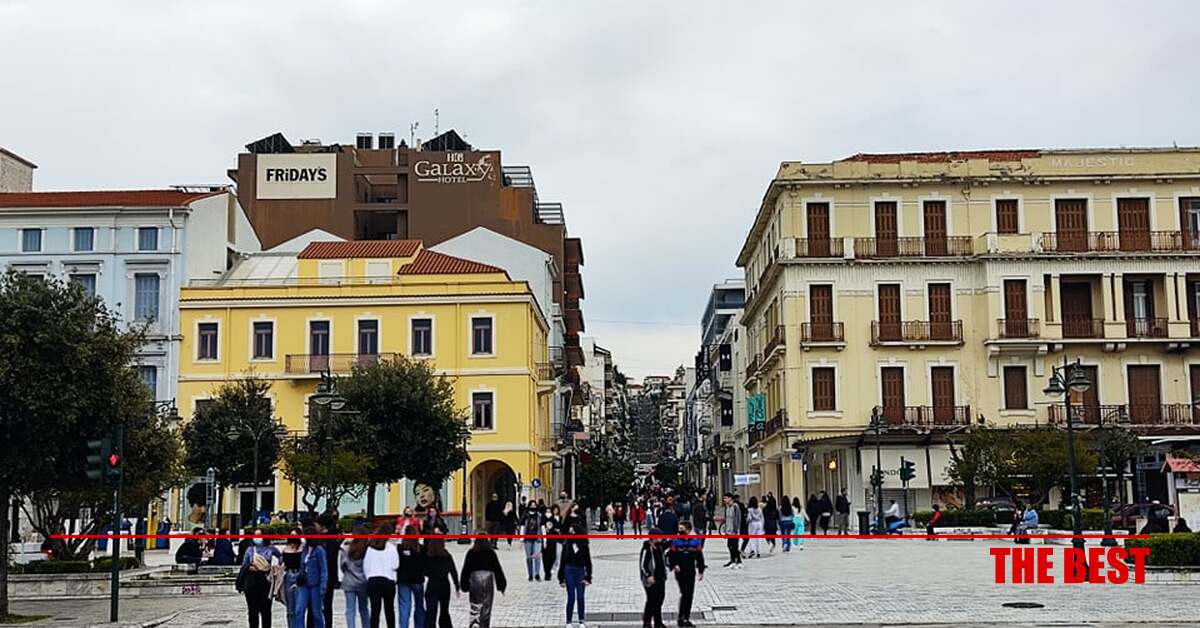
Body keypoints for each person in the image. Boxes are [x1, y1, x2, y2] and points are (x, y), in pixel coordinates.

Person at [460, 537, 507, 628]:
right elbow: (497, 569)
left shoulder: (471, 553)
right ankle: (484, 625)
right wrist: (501, 585)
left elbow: (466, 569)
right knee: (486, 607)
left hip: (475, 580)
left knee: (475, 606)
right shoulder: (490, 553)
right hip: (488, 579)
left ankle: (474, 624)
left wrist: (464, 585)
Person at [666, 520, 705, 628]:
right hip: (680, 572)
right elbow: (670, 556)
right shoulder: (676, 541)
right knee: (685, 593)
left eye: (682, 529)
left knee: (690, 595)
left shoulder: (695, 542)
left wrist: (701, 571)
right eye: (679, 529)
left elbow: (699, 557)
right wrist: (674, 565)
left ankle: (686, 618)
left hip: (691, 571)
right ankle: (681, 617)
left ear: (688, 530)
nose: (679, 531)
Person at [238, 528, 279, 628]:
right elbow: (244, 564)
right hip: (252, 581)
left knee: (266, 610)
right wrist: (249, 567)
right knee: (252, 610)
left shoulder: (271, 549)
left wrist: (274, 567)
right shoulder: (250, 549)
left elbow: (281, 558)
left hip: (265, 580)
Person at [308, 513, 341, 628]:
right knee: (326, 606)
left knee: (317, 606)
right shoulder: (335, 538)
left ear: (322, 526)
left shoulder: (323, 541)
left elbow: (329, 559)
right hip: (330, 576)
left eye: (316, 524)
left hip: (322, 576)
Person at [558, 522, 593, 628]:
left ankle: (581, 620)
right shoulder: (567, 544)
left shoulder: (584, 545)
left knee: (580, 597)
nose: (571, 533)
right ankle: (569, 621)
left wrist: (588, 577)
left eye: (572, 531)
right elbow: (562, 560)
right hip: (569, 570)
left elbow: (588, 561)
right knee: (571, 597)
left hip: (580, 571)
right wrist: (561, 578)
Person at [364, 523, 398, 628]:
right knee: (389, 610)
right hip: (388, 580)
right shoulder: (391, 548)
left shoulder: (370, 548)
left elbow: (366, 566)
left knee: (375, 611)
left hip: (373, 580)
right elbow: (396, 565)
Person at [422, 537, 460, 628]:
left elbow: (424, 571)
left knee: (431, 612)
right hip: (444, 585)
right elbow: (453, 571)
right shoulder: (447, 556)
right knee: (444, 611)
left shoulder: (428, 556)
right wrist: (457, 585)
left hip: (432, 584)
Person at [296, 527, 329, 628]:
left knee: (316, 613)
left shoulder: (319, 550)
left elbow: (324, 569)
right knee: (299, 610)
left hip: (316, 584)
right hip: (304, 584)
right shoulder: (305, 549)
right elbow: (302, 566)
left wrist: (323, 586)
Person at [339, 531, 370, 628]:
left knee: (350, 609)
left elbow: (342, 566)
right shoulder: (367, 550)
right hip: (363, 582)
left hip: (349, 581)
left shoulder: (346, 549)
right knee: (364, 608)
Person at [396, 528, 426, 628]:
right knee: (419, 605)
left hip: (403, 580)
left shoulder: (400, 549)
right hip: (417, 579)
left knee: (404, 606)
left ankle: (403, 626)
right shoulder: (421, 549)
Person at [639, 528, 667, 628]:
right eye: (659, 536)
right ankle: (647, 622)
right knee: (651, 600)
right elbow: (643, 564)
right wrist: (648, 575)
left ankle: (658, 622)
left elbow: (670, 544)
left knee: (659, 600)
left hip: (661, 577)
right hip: (651, 579)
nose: (661, 538)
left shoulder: (659, 547)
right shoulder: (647, 549)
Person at [281, 532, 305, 628]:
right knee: (290, 608)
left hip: (299, 574)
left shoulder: (302, 548)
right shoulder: (285, 549)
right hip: (288, 575)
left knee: (299, 608)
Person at [522, 503, 544, 581]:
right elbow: (522, 526)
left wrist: (544, 538)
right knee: (529, 558)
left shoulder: (539, 516)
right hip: (527, 539)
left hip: (537, 538)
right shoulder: (526, 516)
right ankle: (530, 574)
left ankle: (537, 574)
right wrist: (521, 538)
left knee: (537, 556)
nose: (533, 507)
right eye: (531, 505)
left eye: (534, 505)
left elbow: (542, 527)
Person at [721, 494, 742, 568]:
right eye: (724, 498)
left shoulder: (735, 507)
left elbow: (738, 519)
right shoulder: (727, 507)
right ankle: (733, 560)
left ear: (730, 498)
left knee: (734, 546)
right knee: (730, 545)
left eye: (726, 498)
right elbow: (726, 519)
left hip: (734, 531)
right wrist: (726, 530)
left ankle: (738, 561)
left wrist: (737, 530)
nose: (724, 500)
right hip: (729, 531)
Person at [543, 505, 562, 582]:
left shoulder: (554, 520)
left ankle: (550, 569)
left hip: (553, 541)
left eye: (549, 512)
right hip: (545, 541)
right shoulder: (542, 520)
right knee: (545, 558)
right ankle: (547, 573)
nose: (548, 513)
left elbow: (558, 528)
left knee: (553, 556)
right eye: (547, 512)